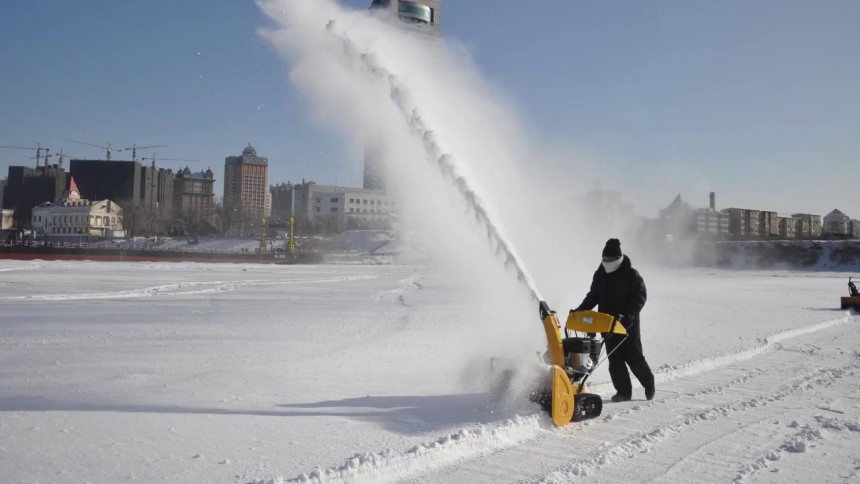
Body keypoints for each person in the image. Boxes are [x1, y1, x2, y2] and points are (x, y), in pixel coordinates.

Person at [574, 238, 655, 402]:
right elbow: (593, 296)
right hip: (606, 323)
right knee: (615, 360)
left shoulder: (631, 275)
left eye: (609, 259)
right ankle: (623, 392)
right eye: (604, 259)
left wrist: (629, 316)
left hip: (627, 325)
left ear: (617, 259)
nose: (606, 261)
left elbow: (640, 297)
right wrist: (580, 311)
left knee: (634, 358)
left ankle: (649, 383)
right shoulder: (600, 275)